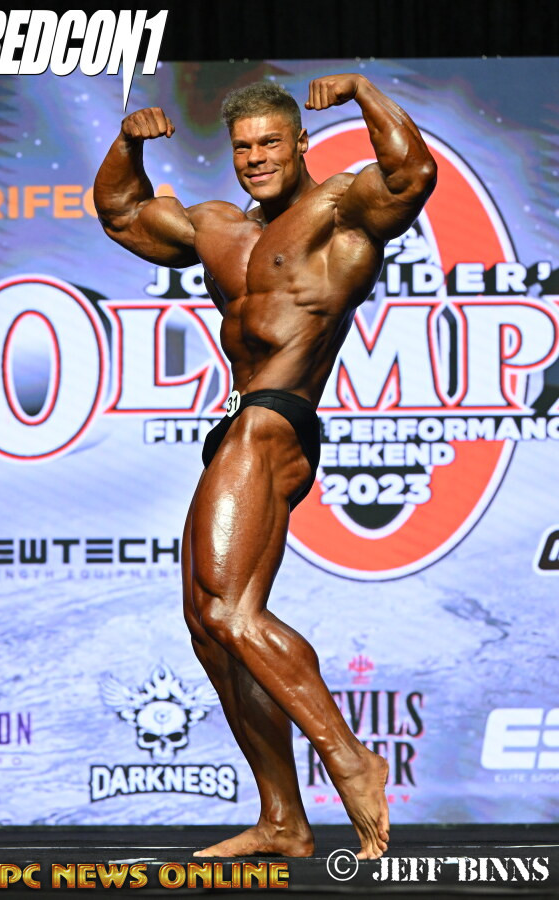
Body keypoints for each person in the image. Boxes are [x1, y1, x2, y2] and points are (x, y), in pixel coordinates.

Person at [94, 73, 436, 860]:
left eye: (270, 142)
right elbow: (120, 212)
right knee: (209, 628)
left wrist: (363, 92)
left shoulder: (341, 213)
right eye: (243, 147)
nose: (255, 157)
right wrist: (127, 145)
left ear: (300, 143)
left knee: (230, 609)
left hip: (277, 419)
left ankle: (351, 759)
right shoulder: (215, 226)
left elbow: (412, 175)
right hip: (238, 424)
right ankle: (283, 819)